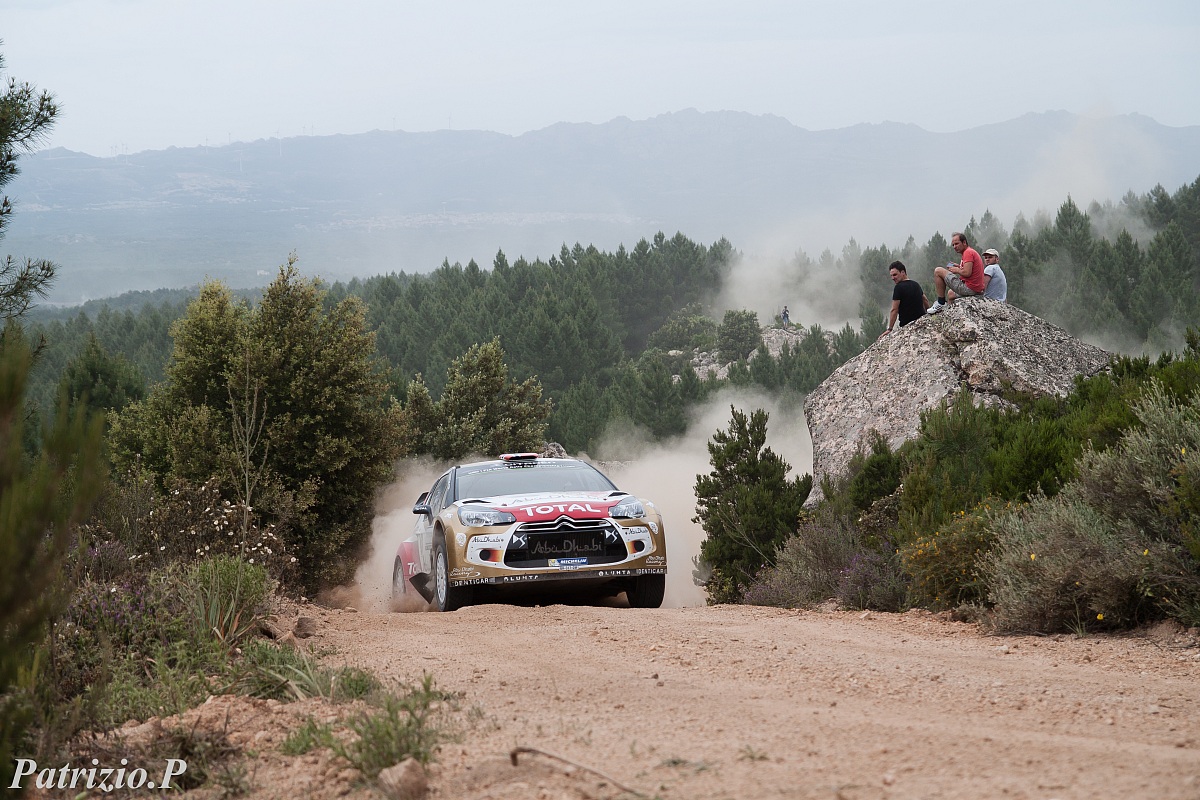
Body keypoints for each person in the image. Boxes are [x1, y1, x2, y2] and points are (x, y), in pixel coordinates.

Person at [927, 232, 984, 314]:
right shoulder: (970, 252)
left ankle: (940, 303)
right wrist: (959, 267)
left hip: (970, 288)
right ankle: (950, 312)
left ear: (964, 242)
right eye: (953, 245)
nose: (954, 247)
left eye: (957, 244)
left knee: (938, 271)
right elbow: (969, 270)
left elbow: (967, 273)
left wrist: (957, 270)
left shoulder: (968, 253)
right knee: (950, 294)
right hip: (977, 289)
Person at [880, 260, 929, 336]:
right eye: (891, 276)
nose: (892, 278)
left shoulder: (898, 288)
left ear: (903, 272)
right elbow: (925, 300)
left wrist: (890, 329)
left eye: (895, 275)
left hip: (907, 326)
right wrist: (928, 313)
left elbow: (894, 309)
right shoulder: (916, 284)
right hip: (921, 322)